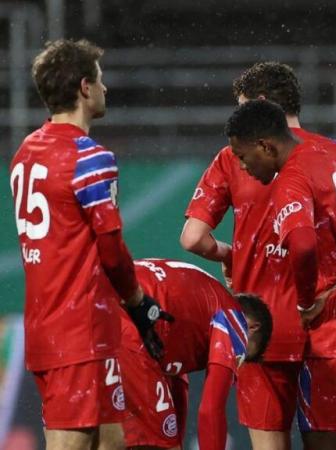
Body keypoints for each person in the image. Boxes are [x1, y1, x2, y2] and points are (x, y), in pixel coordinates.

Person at [180, 62, 336, 450]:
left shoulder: (245, 160)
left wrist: (231, 255)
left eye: (245, 110)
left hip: (273, 328)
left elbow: (193, 237)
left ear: (263, 114)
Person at [9, 39, 171, 450]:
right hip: (77, 329)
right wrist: (137, 301)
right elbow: (112, 249)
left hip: (53, 325)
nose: (105, 89)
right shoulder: (90, 157)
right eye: (100, 80)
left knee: (112, 442)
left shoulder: (26, 152)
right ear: (84, 87)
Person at [118, 258, 272, 450]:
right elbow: (211, 410)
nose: (233, 360)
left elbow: (176, 384)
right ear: (252, 328)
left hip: (87, 309)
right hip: (127, 328)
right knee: (159, 445)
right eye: (240, 357)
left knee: (101, 434)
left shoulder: (203, 297)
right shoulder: (236, 322)